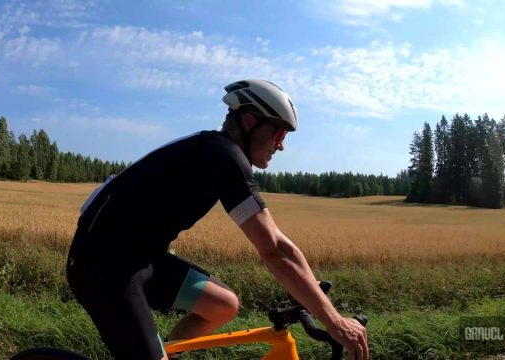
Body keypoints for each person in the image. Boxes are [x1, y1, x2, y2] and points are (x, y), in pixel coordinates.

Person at [66, 80, 369, 360]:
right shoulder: (222, 157)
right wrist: (334, 321)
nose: (281, 145)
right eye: (279, 133)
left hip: (142, 258)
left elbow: (277, 243)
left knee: (223, 305)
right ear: (249, 121)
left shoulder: (215, 153)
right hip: (103, 267)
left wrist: (309, 290)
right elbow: (274, 249)